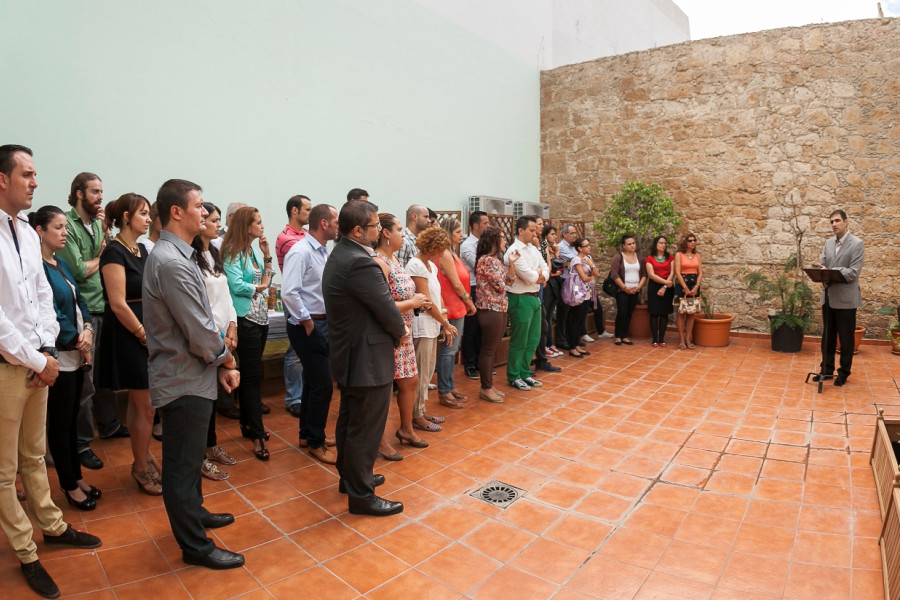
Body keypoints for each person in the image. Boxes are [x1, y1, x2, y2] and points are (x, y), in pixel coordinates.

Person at [0, 144, 102, 600]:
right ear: (3, 179)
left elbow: (41, 294)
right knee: (4, 472)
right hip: (7, 365)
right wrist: (34, 357)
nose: (35, 182)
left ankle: (53, 526)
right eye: (27, 174)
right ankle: (25, 551)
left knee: (35, 455)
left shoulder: (23, 231)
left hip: (36, 361)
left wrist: (44, 349)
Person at [144, 178, 243, 570]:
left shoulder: (181, 255)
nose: (205, 212)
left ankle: (195, 513)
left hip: (193, 374)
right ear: (176, 212)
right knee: (182, 469)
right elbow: (200, 332)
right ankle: (195, 546)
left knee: (188, 463)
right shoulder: (170, 261)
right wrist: (227, 360)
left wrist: (216, 366)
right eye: (199, 206)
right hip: (183, 379)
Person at [323, 200, 407, 516]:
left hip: (351, 353)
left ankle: (352, 477)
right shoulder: (360, 262)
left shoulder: (343, 253)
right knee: (365, 427)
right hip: (367, 356)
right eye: (374, 226)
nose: (378, 231)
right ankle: (362, 495)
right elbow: (385, 306)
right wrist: (400, 332)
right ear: (358, 230)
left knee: (350, 421)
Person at [30, 206, 101, 511]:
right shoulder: (36, 268)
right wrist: (76, 339)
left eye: (64, 227)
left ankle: (78, 477)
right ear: (40, 232)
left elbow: (79, 300)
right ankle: (69, 486)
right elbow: (50, 314)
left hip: (77, 350)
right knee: (60, 424)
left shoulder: (60, 264)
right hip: (60, 354)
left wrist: (87, 327)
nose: (64, 232)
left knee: (72, 421)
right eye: (58, 227)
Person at [56, 172, 127, 474]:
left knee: (105, 374)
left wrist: (103, 250)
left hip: (106, 305)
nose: (100, 197)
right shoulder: (66, 225)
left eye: (101, 191)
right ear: (79, 194)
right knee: (85, 383)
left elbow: (102, 263)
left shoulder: (98, 224)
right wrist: (104, 255)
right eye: (95, 192)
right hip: (83, 312)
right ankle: (82, 443)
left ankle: (109, 424)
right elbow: (78, 270)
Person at [98, 193, 159, 494]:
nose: (148, 219)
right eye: (143, 214)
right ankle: (140, 467)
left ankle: (142, 454)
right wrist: (143, 334)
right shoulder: (114, 252)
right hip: (129, 332)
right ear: (126, 217)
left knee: (141, 404)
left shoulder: (141, 251)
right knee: (146, 405)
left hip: (145, 328)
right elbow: (118, 303)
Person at [282, 203, 340, 465]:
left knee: (314, 381)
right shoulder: (301, 251)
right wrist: (307, 322)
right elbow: (289, 292)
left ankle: (307, 434)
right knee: (323, 386)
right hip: (309, 324)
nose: (339, 226)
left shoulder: (321, 251)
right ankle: (316, 441)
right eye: (336, 221)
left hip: (320, 322)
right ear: (324, 223)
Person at [372, 213, 430, 459]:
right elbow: (380, 305)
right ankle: (379, 440)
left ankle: (406, 428)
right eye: (398, 229)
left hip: (403, 331)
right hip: (388, 332)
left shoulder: (394, 258)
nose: (403, 234)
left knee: (410, 381)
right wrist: (412, 302)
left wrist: (416, 302)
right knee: (384, 389)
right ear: (386, 233)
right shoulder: (377, 262)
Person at [190, 202, 239, 481]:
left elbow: (225, 295)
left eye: (219, 220)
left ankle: (211, 445)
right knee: (203, 400)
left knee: (214, 397)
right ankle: (200, 456)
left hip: (224, 332)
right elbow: (201, 303)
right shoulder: (192, 257)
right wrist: (219, 336)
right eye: (213, 220)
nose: (218, 225)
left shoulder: (215, 252)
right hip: (209, 337)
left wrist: (232, 325)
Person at [222, 207, 272, 460]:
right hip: (244, 319)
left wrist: (267, 256)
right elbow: (235, 285)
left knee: (253, 374)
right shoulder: (232, 250)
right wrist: (258, 286)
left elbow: (267, 282)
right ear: (246, 226)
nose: (262, 227)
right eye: (259, 223)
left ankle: (247, 424)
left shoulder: (252, 250)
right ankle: (257, 435)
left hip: (260, 318)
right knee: (252, 377)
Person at [407, 227, 457, 431]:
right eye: (441, 248)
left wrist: (443, 319)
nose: (442, 253)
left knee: (428, 373)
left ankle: (422, 409)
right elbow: (426, 300)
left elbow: (439, 297)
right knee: (421, 372)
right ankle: (416, 415)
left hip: (433, 324)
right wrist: (445, 323)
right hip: (422, 326)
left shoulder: (430, 266)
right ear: (432, 247)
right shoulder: (416, 265)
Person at [812, 210, 864, 386]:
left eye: (837, 221)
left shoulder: (857, 244)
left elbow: (853, 273)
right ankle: (826, 370)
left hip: (846, 299)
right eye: (832, 221)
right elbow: (824, 264)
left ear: (846, 222)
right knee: (828, 337)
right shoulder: (828, 243)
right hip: (828, 297)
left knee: (846, 338)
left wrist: (832, 272)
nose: (834, 224)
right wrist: (820, 270)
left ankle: (843, 373)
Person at [275, 195, 312, 419]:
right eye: (307, 209)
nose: (310, 213)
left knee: (308, 350)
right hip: (296, 299)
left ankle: (304, 393)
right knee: (296, 351)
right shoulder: (286, 238)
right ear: (295, 211)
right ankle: (293, 398)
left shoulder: (306, 236)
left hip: (311, 300)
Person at [505, 216, 548, 391]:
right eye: (531, 230)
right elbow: (531, 277)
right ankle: (514, 375)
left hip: (534, 296)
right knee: (520, 339)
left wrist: (537, 274)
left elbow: (546, 268)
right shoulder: (514, 251)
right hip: (520, 298)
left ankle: (524, 372)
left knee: (533, 338)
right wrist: (538, 274)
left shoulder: (532, 248)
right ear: (521, 230)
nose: (535, 233)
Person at [436, 217, 475, 409]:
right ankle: (444, 390)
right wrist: (469, 302)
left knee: (452, 350)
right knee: (448, 350)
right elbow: (456, 283)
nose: (462, 235)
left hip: (457, 306)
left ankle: (449, 386)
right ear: (448, 233)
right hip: (452, 306)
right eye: (458, 232)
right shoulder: (444, 253)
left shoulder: (452, 252)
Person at [475, 227, 517, 402]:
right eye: (502, 238)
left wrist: (512, 262)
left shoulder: (496, 260)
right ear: (494, 240)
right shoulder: (487, 261)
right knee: (487, 350)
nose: (505, 241)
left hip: (499, 308)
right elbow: (501, 285)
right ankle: (486, 388)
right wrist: (505, 277)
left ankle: (489, 385)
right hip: (490, 309)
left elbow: (510, 281)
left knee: (491, 350)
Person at [530, 216, 562, 374]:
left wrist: (546, 275)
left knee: (543, 325)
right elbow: (533, 266)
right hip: (531, 288)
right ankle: (530, 359)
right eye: (539, 224)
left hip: (542, 284)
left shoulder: (542, 243)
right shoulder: (528, 244)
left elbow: (546, 263)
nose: (542, 226)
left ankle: (541, 359)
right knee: (534, 326)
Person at [459, 210, 489, 379]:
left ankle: (479, 362)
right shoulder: (467, 245)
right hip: (471, 288)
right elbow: (480, 266)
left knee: (482, 327)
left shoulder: (485, 242)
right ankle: (469, 364)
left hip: (484, 288)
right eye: (485, 223)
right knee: (471, 328)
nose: (488, 226)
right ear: (476, 225)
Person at [609, 235, 647, 346]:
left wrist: (639, 287)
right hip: (622, 290)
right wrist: (624, 288)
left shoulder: (639, 258)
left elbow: (644, 274)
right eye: (629, 244)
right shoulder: (618, 257)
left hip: (635, 290)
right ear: (623, 246)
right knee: (622, 312)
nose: (632, 245)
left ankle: (624, 336)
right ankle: (618, 336)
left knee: (629, 313)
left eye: (633, 243)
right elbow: (614, 275)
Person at [566, 237, 599, 358]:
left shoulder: (588, 258)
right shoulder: (576, 260)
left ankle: (577, 345)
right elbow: (584, 278)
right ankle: (572, 347)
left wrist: (591, 265)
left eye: (589, 245)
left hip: (586, 293)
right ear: (580, 248)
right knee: (575, 319)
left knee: (581, 320)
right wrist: (592, 277)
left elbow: (597, 273)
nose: (589, 247)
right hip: (577, 294)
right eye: (586, 246)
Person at [674, 233, 702, 349]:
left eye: (694, 240)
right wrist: (685, 288)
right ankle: (681, 340)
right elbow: (677, 272)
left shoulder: (697, 255)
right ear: (685, 242)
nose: (693, 242)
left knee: (692, 313)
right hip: (682, 284)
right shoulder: (679, 255)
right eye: (690, 240)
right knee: (681, 312)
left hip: (694, 284)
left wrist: (696, 286)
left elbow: (700, 272)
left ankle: (688, 339)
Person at [646, 235, 675, 347]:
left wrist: (665, 286)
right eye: (661, 243)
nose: (664, 245)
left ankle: (662, 338)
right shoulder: (650, 258)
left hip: (667, 287)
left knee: (664, 313)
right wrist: (665, 283)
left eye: (665, 243)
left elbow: (672, 273)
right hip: (654, 287)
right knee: (654, 313)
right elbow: (651, 275)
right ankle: (654, 339)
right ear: (656, 244)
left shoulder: (670, 257)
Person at [541, 223, 565, 357]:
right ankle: (544, 345)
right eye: (551, 234)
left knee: (550, 315)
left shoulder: (552, 248)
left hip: (555, 283)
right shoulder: (544, 248)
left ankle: (550, 343)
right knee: (546, 316)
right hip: (548, 284)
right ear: (545, 235)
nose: (554, 236)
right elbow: (548, 267)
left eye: (555, 234)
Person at [555, 224, 578, 349]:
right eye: (572, 233)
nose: (575, 235)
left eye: (575, 233)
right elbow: (577, 259)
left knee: (571, 311)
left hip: (573, 281)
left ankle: (571, 338)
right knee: (563, 312)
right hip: (563, 281)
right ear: (564, 234)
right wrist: (572, 261)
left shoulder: (573, 247)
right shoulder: (561, 247)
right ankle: (561, 339)